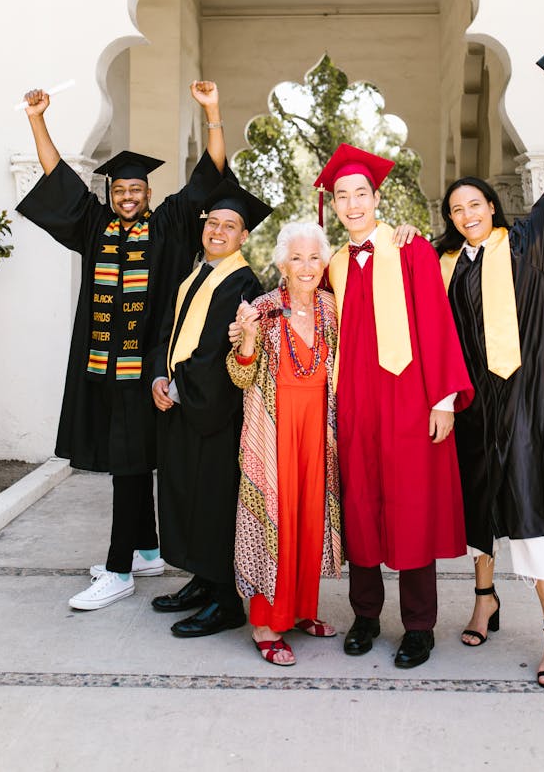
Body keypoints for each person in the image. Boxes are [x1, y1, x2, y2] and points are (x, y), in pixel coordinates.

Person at [17, 81, 229, 610]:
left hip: (147, 370)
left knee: (130, 466)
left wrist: (213, 112)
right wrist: (37, 120)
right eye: (120, 191)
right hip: (101, 369)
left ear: (149, 194)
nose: (128, 197)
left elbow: (211, 174)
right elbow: (55, 177)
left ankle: (118, 569)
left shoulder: (172, 226)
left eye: (135, 191)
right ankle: (148, 551)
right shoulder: (95, 226)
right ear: (111, 194)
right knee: (126, 462)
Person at [436, 77, 544, 688]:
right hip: (471, 403)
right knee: (477, 503)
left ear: (492, 208)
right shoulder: (445, 264)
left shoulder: (526, 245)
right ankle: (485, 599)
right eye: (456, 209)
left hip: (523, 401)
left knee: (528, 504)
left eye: (475, 204)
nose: (467, 215)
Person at [314, 144, 474, 669]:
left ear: (377, 197)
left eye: (362, 193)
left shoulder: (411, 250)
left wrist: (444, 400)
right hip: (356, 405)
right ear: (333, 205)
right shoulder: (334, 264)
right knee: (360, 506)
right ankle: (365, 617)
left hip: (408, 401)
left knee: (411, 509)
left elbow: (436, 324)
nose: (353, 203)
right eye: (343, 196)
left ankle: (419, 627)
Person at [150, 179, 271, 638]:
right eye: (213, 223)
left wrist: (180, 387)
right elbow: (169, 328)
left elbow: (216, 355)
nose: (218, 231)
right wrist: (158, 377)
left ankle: (225, 601)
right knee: (187, 497)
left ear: (244, 237)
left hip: (214, 414)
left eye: (230, 226)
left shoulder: (242, 282)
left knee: (215, 505)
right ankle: (201, 580)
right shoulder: (194, 272)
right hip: (181, 403)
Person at [227, 222, 341, 667]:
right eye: (297, 258)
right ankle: (265, 623)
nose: (307, 266)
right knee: (275, 518)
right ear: (281, 263)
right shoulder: (262, 308)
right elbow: (238, 374)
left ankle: (300, 610)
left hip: (318, 427)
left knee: (310, 517)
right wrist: (249, 340)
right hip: (274, 427)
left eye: (314, 257)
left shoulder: (332, 308)